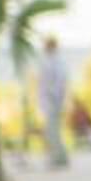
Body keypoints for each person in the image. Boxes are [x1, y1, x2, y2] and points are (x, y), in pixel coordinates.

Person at [35, 35, 72, 170]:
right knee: (51, 130)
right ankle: (59, 157)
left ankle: (59, 157)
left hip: (54, 100)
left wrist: (54, 95)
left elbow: (61, 80)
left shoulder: (57, 61)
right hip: (49, 100)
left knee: (52, 130)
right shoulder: (48, 60)